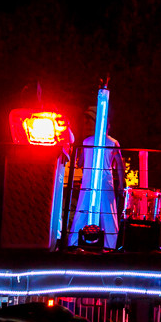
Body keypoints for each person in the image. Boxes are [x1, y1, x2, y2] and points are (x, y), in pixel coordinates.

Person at [69, 105, 126, 248]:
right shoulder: (113, 142)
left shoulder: (86, 141)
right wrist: (121, 184)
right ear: (108, 126)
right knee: (108, 212)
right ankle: (111, 244)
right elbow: (120, 165)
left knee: (82, 210)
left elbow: (80, 162)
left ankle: (73, 242)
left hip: (88, 180)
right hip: (105, 181)